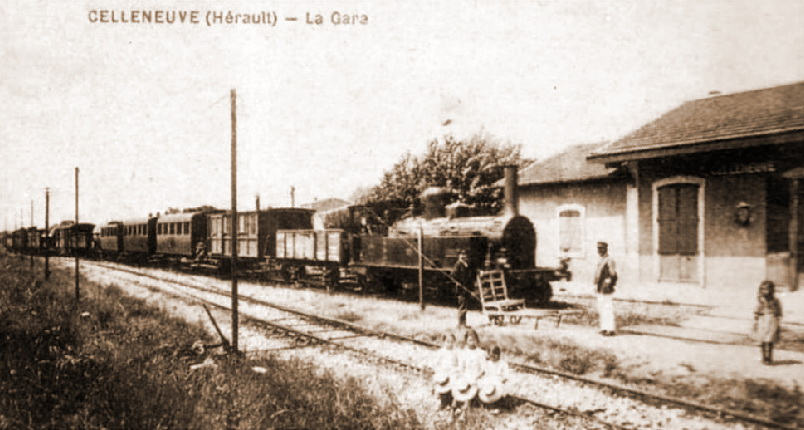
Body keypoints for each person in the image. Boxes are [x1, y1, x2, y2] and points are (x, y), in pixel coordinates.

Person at [753, 280, 783, 365]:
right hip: (763, 321)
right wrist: (756, 320)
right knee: (763, 340)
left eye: (767, 289)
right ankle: (764, 357)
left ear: (772, 290)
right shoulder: (761, 300)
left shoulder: (775, 300)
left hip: (772, 321)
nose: (765, 291)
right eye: (763, 289)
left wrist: (778, 321)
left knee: (770, 340)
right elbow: (757, 310)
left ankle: (769, 357)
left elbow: (779, 312)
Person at [593, 241, 617, 336]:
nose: (599, 250)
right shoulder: (601, 260)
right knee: (601, 308)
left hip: (606, 287)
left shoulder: (609, 260)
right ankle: (604, 328)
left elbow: (613, 274)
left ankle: (610, 329)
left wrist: (610, 282)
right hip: (600, 287)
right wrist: (595, 285)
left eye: (601, 248)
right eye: (598, 248)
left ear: (606, 249)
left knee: (607, 308)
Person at [478, 345, 511, 411]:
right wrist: (479, 377)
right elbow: (484, 372)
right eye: (491, 356)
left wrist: (501, 381)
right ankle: (486, 404)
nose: (493, 358)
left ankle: (498, 405)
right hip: (489, 383)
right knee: (482, 386)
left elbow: (506, 376)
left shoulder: (503, 364)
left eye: (495, 355)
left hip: (498, 382)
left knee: (498, 390)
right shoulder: (488, 363)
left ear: (499, 355)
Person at [432, 332, 458, 410]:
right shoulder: (441, 352)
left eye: (452, 342)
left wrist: (454, 370)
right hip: (442, 372)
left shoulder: (455, 352)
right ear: (444, 342)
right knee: (441, 382)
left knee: (452, 382)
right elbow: (436, 364)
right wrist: (439, 371)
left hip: (452, 372)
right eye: (448, 342)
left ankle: (449, 402)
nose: (450, 344)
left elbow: (457, 364)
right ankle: (442, 402)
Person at [452, 250, 474, 327]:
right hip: (461, 289)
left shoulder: (466, 264)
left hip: (466, 288)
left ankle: (463, 324)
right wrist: (457, 282)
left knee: (465, 306)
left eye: (465, 255)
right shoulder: (458, 264)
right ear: (459, 256)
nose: (464, 256)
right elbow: (453, 275)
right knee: (462, 306)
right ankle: (460, 324)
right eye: (462, 255)